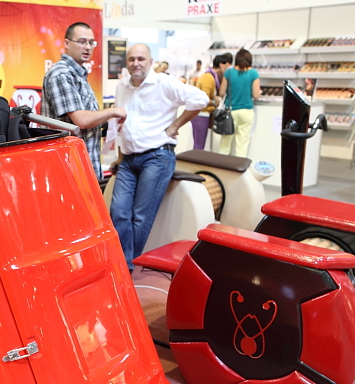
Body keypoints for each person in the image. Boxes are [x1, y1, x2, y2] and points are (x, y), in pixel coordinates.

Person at [110, 43, 208, 272]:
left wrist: (175, 125)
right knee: (118, 212)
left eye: (141, 59)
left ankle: (126, 267)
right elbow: (121, 124)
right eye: (131, 59)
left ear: (150, 61)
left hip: (157, 157)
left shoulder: (164, 83)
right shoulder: (122, 86)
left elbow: (201, 99)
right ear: (126, 62)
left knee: (140, 216)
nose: (136, 63)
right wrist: (120, 155)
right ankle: (124, 263)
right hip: (128, 160)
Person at [42, 22, 126, 180]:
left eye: (91, 42)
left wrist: (110, 123)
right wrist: (113, 111)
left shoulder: (78, 74)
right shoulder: (62, 74)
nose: (88, 47)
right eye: (82, 42)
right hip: (70, 169)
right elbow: (81, 120)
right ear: (67, 43)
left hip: (84, 166)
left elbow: (87, 120)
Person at [218, 48, 261, 157]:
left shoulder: (229, 72)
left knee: (225, 144)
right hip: (246, 111)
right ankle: (239, 166)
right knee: (242, 145)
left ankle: (221, 166)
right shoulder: (253, 73)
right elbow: (256, 95)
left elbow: (221, 92)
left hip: (230, 112)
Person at [192, 54, 230, 150]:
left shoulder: (211, 77)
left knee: (199, 146)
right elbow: (203, 99)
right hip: (201, 114)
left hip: (201, 114)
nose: (228, 69)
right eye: (227, 66)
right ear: (221, 64)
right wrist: (214, 102)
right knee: (199, 147)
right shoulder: (209, 78)